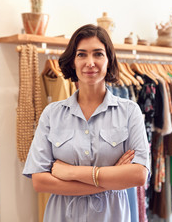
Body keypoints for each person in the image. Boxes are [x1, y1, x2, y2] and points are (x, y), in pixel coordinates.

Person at [23, 24, 150, 222]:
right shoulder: (52, 114)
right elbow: (40, 182)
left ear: (109, 60)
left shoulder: (129, 111)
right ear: (73, 62)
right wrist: (112, 178)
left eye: (98, 54)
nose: (90, 62)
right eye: (81, 54)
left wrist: (72, 172)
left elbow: (139, 175)